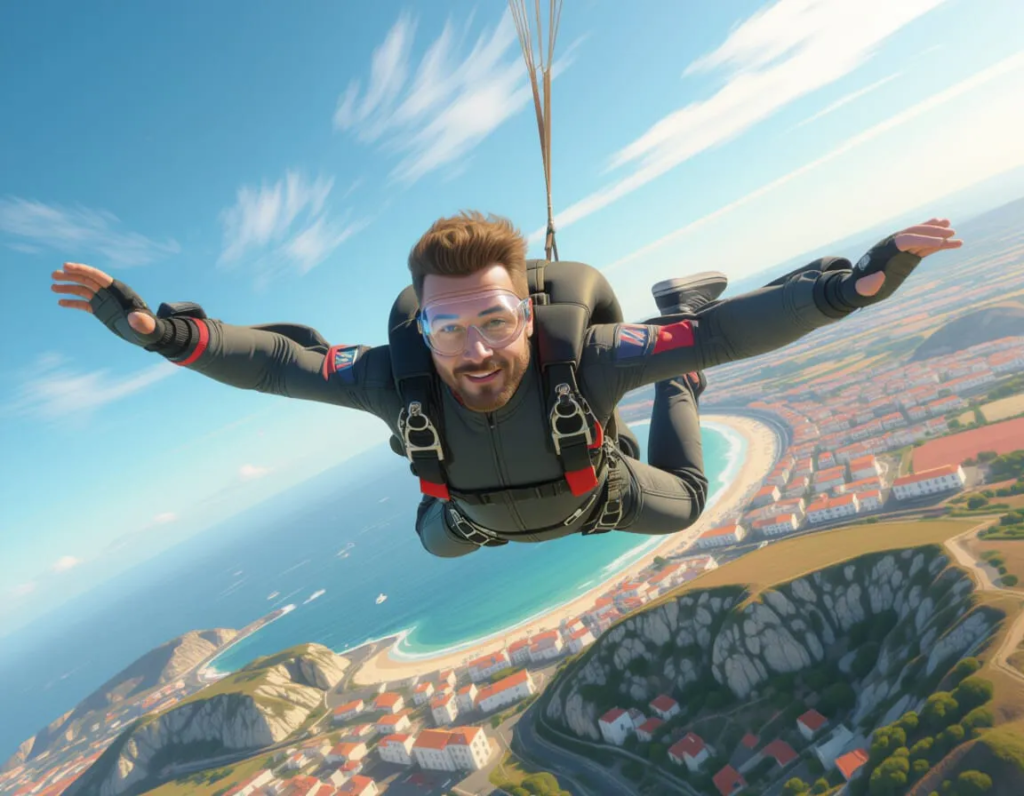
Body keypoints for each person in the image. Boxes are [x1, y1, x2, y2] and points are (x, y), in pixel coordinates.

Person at [51, 213, 961, 557]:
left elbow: (721, 332)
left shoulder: (589, 356)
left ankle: (671, 391)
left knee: (684, 499)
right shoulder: (391, 379)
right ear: (422, 328)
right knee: (436, 542)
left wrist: (848, 290)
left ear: (528, 314)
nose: (475, 349)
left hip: (589, 496)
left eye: (494, 321)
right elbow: (280, 364)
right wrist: (163, 335)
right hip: (469, 519)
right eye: (449, 327)